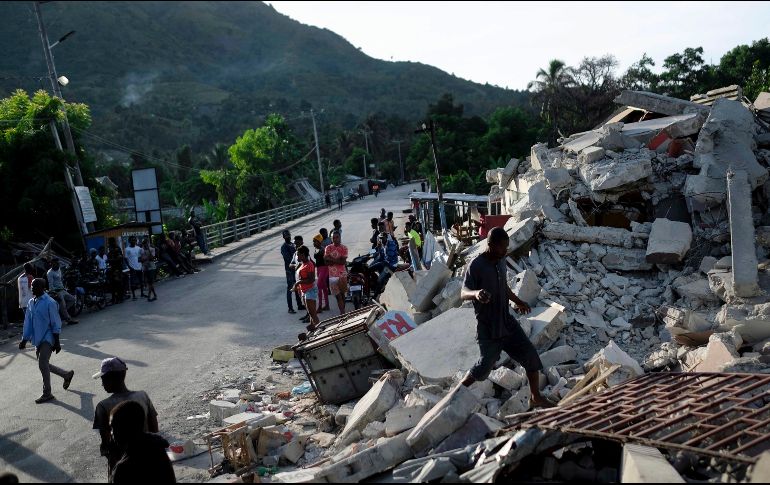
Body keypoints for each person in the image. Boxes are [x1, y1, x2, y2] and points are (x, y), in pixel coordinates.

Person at [460, 227, 554, 409]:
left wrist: (519, 301)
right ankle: (456, 393)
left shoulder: (501, 260)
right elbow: (463, 292)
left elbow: (503, 286)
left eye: (506, 246)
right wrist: (476, 293)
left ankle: (535, 397)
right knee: (484, 367)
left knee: (531, 356)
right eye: (501, 247)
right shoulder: (476, 265)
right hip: (488, 327)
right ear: (490, 245)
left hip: (506, 322)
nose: (505, 251)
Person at [92, 357, 160, 479]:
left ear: (111, 378)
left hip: (121, 466)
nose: (102, 384)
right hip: (149, 458)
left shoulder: (103, 406)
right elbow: (154, 429)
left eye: (103, 379)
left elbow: (106, 443)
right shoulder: (143, 396)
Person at [19, 278, 75, 404]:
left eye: (35, 286)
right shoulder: (31, 302)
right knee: (44, 364)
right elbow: (28, 322)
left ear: (42, 288)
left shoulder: (50, 302)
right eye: (31, 286)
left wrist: (57, 342)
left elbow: (56, 323)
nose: (32, 288)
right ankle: (66, 375)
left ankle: (47, 393)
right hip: (37, 338)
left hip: (48, 337)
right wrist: (24, 339)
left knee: (42, 363)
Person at [108, 400, 176, 483]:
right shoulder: (157, 447)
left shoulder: (123, 469)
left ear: (123, 429)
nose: (111, 433)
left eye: (112, 428)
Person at [292, 245, 320, 330]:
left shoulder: (309, 265)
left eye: (298, 255)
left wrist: (298, 283)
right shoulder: (302, 264)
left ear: (303, 254)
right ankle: (313, 327)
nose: (297, 257)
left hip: (310, 290)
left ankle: (320, 329)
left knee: (312, 313)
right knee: (310, 312)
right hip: (305, 291)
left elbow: (311, 280)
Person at [46, 258, 78, 325]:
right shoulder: (50, 273)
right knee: (63, 305)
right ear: (52, 264)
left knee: (72, 299)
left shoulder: (59, 269)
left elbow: (61, 280)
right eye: (56, 263)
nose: (58, 265)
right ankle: (68, 319)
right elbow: (50, 284)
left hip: (62, 289)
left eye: (58, 263)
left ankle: (62, 312)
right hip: (57, 291)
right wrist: (54, 293)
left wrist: (64, 287)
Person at [324, 230, 348, 315]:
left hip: (342, 275)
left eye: (337, 237)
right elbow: (326, 262)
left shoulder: (344, 248)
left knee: (342, 294)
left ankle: (343, 312)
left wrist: (331, 259)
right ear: (331, 238)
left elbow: (343, 262)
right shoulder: (328, 248)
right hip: (332, 276)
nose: (335, 239)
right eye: (333, 238)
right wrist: (338, 260)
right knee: (338, 296)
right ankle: (342, 313)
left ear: (340, 237)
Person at [281, 230, 304, 314]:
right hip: (289, 271)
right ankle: (290, 308)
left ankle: (299, 305)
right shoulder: (284, 247)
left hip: (296, 269)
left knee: (297, 286)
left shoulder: (293, 244)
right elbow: (288, 258)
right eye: (286, 236)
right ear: (284, 237)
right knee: (290, 288)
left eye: (289, 235)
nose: (288, 237)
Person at [289, 236, 310, 324]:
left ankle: (310, 316)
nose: (296, 245)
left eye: (298, 243)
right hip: (298, 278)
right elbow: (290, 265)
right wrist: (296, 266)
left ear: (302, 243)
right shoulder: (295, 254)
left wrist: (298, 266)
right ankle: (308, 314)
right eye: (295, 244)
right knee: (303, 298)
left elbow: (306, 265)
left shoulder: (305, 254)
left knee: (307, 298)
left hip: (305, 280)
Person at [312, 234, 330, 313]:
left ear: (319, 241)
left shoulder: (323, 250)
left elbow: (327, 260)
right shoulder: (316, 249)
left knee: (319, 286)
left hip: (324, 268)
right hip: (319, 268)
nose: (314, 243)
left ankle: (320, 306)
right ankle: (327, 305)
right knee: (324, 287)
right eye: (313, 241)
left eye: (315, 241)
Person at [124, 236, 144, 301]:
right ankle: (134, 296)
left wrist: (141, 264)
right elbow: (125, 259)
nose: (134, 241)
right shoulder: (127, 249)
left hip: (139, 267)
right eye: (132, 240)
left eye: (135, 240)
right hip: (132, 268)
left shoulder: (138, 248)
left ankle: (142, 293)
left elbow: (140, 257)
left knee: (141, 281)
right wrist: (129, 267)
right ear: (129, 241)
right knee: (133, 282)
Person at [107, 238, 126, 303]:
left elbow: (119, 258)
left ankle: (121, 298)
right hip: (113, 268)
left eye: (109, 242)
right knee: (113, 284)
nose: (108, 243)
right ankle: (115, 298)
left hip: (117, 269)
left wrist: (110, 260)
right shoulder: (111, 249)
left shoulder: (117, 249)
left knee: (118, 283)